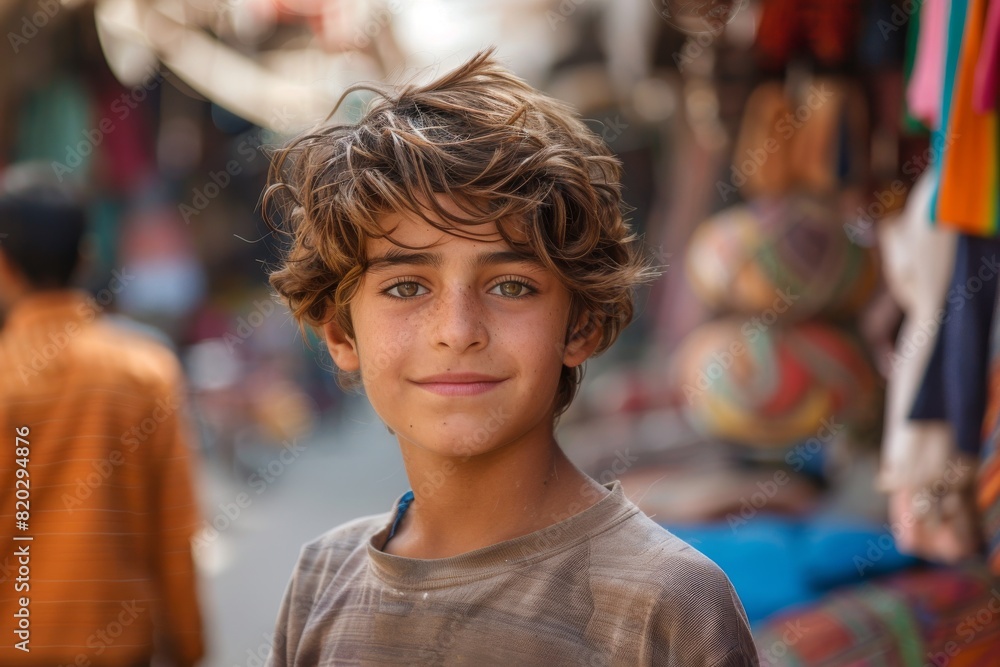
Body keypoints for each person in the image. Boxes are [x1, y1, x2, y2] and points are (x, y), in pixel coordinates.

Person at [262, 50, 758, 666]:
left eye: (511, 287)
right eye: (407, 287)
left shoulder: (667, 603)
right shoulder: (320, 581)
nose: (459, 332)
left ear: (581, 323)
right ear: (341, 334)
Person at [0, 165, 205, 666]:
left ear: (4, 267)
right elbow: (176, 532)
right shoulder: (145, 371)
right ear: (88, 255)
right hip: (119, 647)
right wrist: (189, 645)